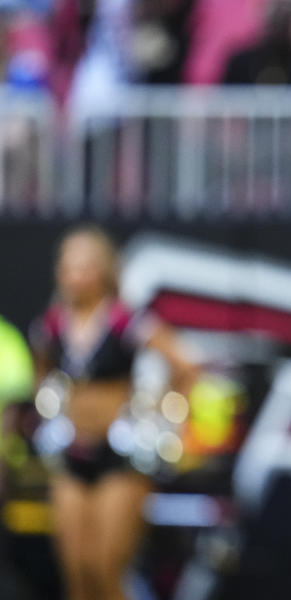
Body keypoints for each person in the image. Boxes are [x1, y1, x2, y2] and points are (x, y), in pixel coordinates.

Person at [28, 224, 197, 600]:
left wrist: (163, 415)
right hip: (72, 456)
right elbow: (41, 371)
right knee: (77, 573)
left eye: (84, 265)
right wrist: (52, 409)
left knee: (107, 569)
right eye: (68, 265)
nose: (74, 275)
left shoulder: (126, 321)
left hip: (121, 458)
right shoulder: (54, 324)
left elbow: (186, 366)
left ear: (104, 270)